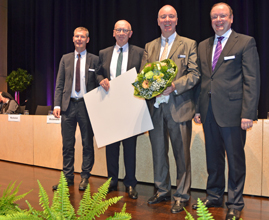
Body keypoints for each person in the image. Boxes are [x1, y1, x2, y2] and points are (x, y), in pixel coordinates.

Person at [194, 3, 260, 220]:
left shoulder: (245, 42)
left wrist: (248, 113)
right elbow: (203, 81)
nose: (218, 20)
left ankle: (234, 201)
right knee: (213, 158)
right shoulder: (203, 45)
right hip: (208, 111)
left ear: (231, 18)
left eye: (223, 16)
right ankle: (214, 195)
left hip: (233, 112)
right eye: (214, 16)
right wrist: (198, 108)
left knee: (235, 159)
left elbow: (251, 79)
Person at [140, 5, 200, 214]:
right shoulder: (150, 46)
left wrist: (174, 86)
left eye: (171, 16)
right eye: (163, 17)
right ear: (158, 21)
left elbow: (194, 74)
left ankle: (182, 195)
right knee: (158, 153)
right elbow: (143, 74)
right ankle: (162, 190)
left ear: (176, 20)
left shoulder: (189, 44)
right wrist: (148, 87)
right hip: (155, 109)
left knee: (181, 155)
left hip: (179, 107)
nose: (167, 20)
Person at [96, 20, 144, 199]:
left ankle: (130, 183)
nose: (122, 33)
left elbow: (144, 75)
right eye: (119, 30)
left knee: (130, 147)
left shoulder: (140, 52)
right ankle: (112, 182)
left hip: (131, 106)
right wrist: (101, 79)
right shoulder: (104, 53)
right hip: (110, 106)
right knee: (112, 147)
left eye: (125, 30)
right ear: (113, 32)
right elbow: (99, 72)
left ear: (130, 33)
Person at [52, 27, 99, 191]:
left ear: (88, 39)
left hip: (87, 106)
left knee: (87, 143)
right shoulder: (65, 59)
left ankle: (85, 176)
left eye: (83, 36)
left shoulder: (95, 59)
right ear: (73, 39)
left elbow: (99, 82)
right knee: (67, 144)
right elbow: (59, 84)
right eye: (77, 36)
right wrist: (57, 104)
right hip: (68, 106)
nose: (79, 39)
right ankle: (67, 178)